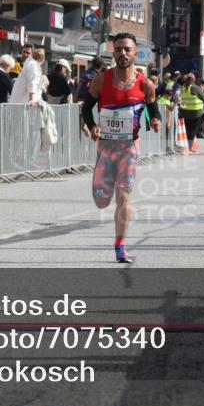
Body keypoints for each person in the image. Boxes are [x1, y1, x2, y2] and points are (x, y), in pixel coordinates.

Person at [81, 33, 161, 264]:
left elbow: (152, 110)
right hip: (106, 146)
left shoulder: (145, 83)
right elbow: (86, 108)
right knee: (101, 199)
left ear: (136, 53)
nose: (122, 53)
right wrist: (93, 126)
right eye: (118, 49)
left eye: (127, 49)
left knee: (123, 195)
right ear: (112, 52)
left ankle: (120, 246)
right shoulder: (101, 80)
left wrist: (154, 121)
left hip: (130, 147)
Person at [178, 73, 204, 150]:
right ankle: (189, 147)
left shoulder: (182, 87)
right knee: (193, 131)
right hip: (196, 113)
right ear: (194, 80)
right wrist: (203, 90)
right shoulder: (194, 87)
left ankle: (186, 146)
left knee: (187, 130)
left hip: (184, 112)